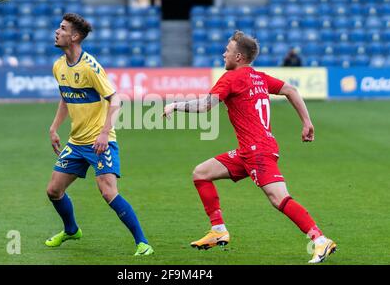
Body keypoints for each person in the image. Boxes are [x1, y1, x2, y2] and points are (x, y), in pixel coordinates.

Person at [163, 30, 336, 264]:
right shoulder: (259, 77)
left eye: (228, 50)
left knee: (279, 199)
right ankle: (218, 231)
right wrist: (307, 122)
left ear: (238, 57)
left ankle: (320, 240)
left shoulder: (231, 78)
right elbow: (291, 90)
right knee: (201, 173)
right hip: (249, 150)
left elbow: (205, 106)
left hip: (258, 152)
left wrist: (176, 105)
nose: (223, 53)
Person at [45, 13, 154, 256]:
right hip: (76, 142)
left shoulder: (90, 67)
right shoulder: (59, 66)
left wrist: (105, 133)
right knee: (53, 190)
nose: (57, 31)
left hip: (99, 142)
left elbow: (116, 98)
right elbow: (66, 97)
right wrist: (54, 128)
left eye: (62, 28)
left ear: (74, 36)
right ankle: (72, 230)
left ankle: (143, 243)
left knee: (107, 192)